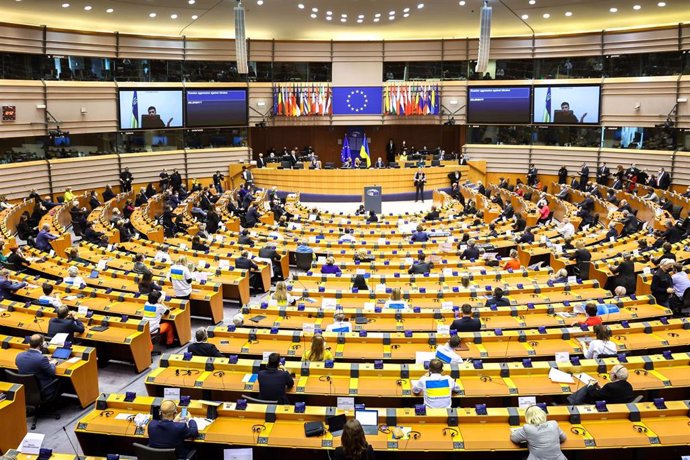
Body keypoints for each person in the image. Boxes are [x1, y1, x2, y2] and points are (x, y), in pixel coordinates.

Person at [15, 334, 59, 399]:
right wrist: (52, 363)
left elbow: (21, 363)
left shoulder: (19, 355)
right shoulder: (41, 359)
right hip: (42, 389)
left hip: (25, 389)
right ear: (41, 344)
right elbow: (52, 372)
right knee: (61, 381)